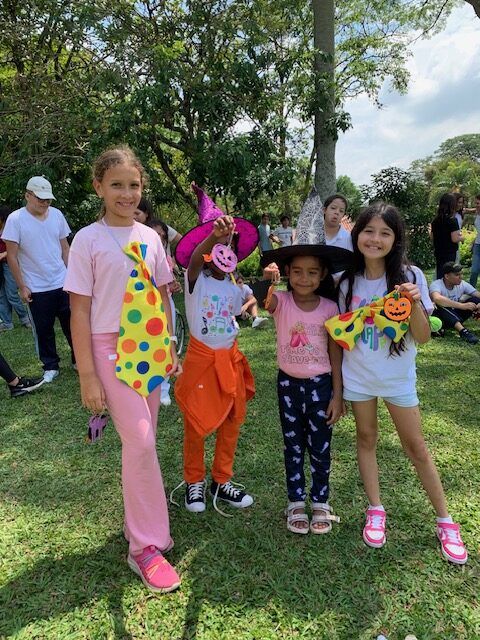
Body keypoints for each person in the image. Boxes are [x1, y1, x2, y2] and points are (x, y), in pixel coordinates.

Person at [64, 145, 181, 593]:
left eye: (133, 185)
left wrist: (169, 345)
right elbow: (79, 311)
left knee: (143, 444)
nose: (126, 193)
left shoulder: (150, 237)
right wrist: (87, 374)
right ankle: (144, 546)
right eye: (116, 185)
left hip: (149, 346)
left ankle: (145, 526)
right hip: (108, 348)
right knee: (141, 440)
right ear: (98, 187)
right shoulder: (87, 240)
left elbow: (162, 294)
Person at [334, 202, 468, 565]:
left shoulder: (411, 276)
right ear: (357, 235)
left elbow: (422, 337)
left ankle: (445, 521)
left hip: (397, 379)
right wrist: (338, 389)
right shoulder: (345, 281)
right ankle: (376, 509)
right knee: (366, 439)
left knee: (416, 447)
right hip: (359, 377)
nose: (375, 239)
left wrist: (415, 305)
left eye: (385, 233)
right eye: (368, 231)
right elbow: (341, 336)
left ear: (396, 239)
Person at [260, 188, 352, 535]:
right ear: (288, 271)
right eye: (297, 271)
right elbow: (265, 302)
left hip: (321, 385)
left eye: (312, 272)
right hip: (287, 384)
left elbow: (335, 352)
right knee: (293, 446)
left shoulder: (330, 308)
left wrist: (337, 394)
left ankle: (321, 501)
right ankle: (296, 501)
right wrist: (269, 281)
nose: (304, 278)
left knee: (320, 448)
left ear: (323, 274)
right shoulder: (281, 301)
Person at [173, 184, 258, 515]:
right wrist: (214, 236)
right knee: (195, 423)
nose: (224, 252)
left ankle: (222, 480)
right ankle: (194, 480)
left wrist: (265, 284)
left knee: (231, 421)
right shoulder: (196, 280)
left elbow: (242, 308)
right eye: (218, 246)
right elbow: (195, 259)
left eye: (229, 246)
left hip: (229, 360)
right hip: (201, 361)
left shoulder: (234, 288)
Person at [3, 177, 75, 382]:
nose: (44, 203)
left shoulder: (57, 215)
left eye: (48, 199)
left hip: (62, 281)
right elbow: (12, 256)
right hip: (36, 286)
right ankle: (50, 366)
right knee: (43, 330)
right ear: (28, 195)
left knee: (73, 324)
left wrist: (73, 277)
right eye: (40, 199)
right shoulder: (16, 219)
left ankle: (78, 359)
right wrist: (22, 286)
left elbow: (65, 248)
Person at [148, 217, 182, 406]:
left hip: (165, 303)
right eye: (155, 234)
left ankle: (163, 389)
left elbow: (170, 282)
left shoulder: (167, 260)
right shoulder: (137, 255)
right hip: (145, 306)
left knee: (168, 342)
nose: (159, 238)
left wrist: (174, 285)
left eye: (162, 236)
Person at [429, 261, 480, 344]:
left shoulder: (462, 284)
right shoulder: (436, 284)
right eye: (457, 275)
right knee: (440, 304)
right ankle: (463, 331)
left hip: (455, 315)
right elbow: (437, 298)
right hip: (441, 317)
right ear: (447, 276)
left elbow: (478, 294)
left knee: (475, 300)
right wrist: (462, 306)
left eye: (461, 274)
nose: (461, 277)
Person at [0, 206, 31, 331]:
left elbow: (17, 248)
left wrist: (4, 254)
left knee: (12, 294)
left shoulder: (11, 228)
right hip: (1, 265)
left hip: (9, 265)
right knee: (1, 294)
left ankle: (25, 318)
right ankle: (7, 323)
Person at [431, 193, 463, 279]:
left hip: (439, 251)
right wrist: (462, 237)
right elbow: (454, 238)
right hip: (450, 252)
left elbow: (432, 237)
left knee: (440, 273)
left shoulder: (435, 221)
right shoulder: (452, 220)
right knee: (450, 274)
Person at [469, 194, 480, 287]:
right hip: (477, 245)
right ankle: (471, 291)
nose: (476, 205)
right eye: (475, 203)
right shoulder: (477, 212)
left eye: (478, 203)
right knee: (474, 271)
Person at [454, 193, 466, 262]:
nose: (460, 204)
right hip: (449, 243)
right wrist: (461, 238)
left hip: (457, 243)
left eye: (461, 202)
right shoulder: (448, 215)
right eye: (458, 202)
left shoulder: (460, 213)